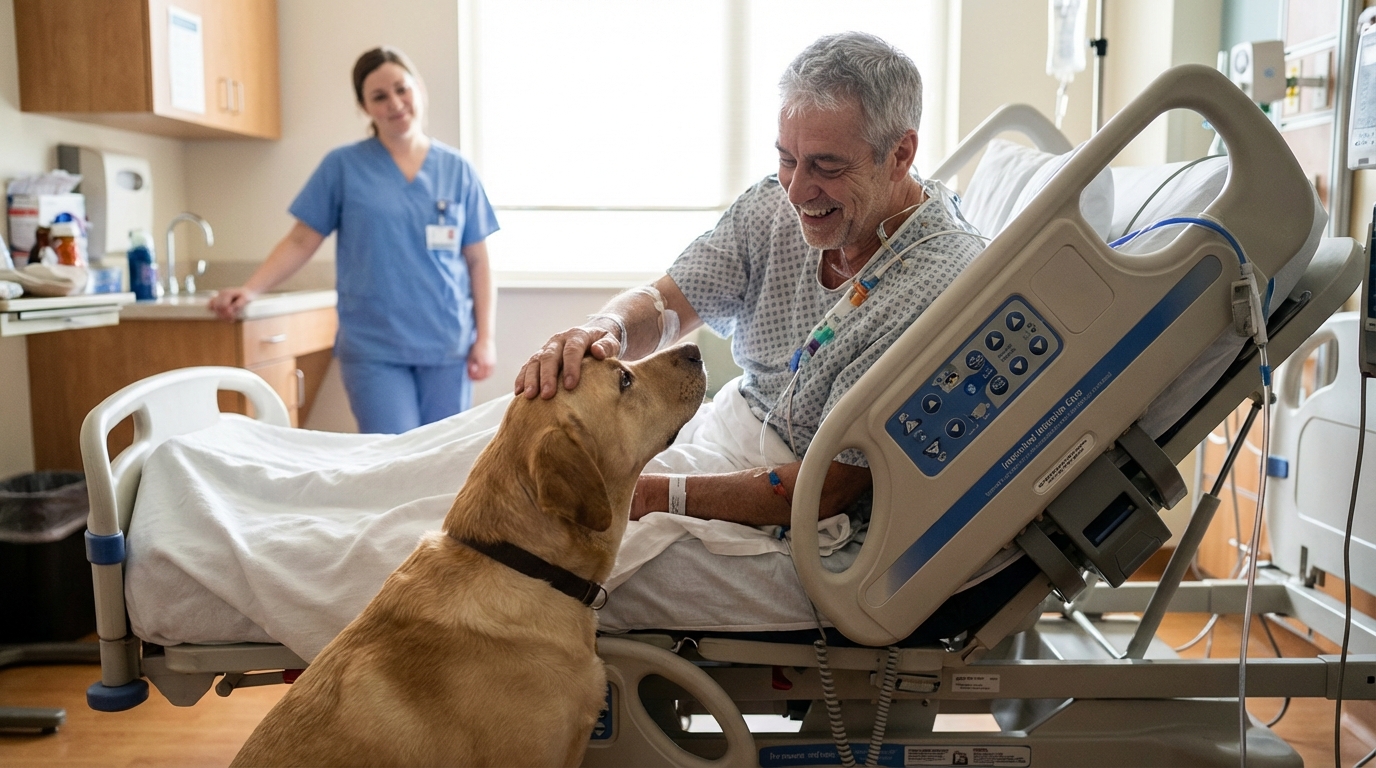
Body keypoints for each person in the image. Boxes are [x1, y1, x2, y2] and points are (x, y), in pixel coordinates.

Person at [516, 32, 985, 526]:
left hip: (795, 517)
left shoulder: (940, 287)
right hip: (724, 431)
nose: (798, 190)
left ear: (900, 154)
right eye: (787, 159)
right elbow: (669, 302)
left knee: (547, 532)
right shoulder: (773, 212)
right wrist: (607, 328)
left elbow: (828, 488)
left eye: (825, 166)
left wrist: (651, 495)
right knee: (496, 454)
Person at [210, 46, 499, 433]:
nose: (395, 103)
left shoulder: (457, 170)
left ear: (419, 90)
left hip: (445, 344)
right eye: (379, 96)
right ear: (365, 108)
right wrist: (251, 289)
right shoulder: (343, 167)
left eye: (402, 89)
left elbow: (479, 261)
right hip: (374, 347)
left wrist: (486, 338)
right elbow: (301, 240)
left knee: (443, 464)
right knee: (391, 460)